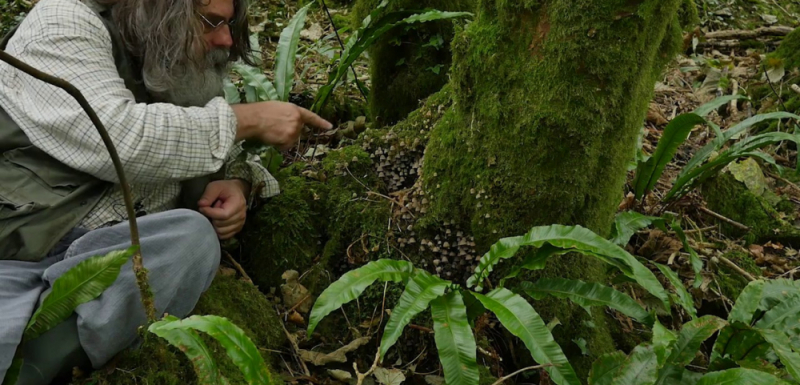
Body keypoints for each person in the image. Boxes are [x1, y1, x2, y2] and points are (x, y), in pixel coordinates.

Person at [0, 0, 332, 382]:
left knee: (191, 239)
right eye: (211, 22)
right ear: (162, 10)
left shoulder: (169, 60)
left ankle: (44, 362)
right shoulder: (64, 20)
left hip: (116, 256)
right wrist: (248, 119)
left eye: (230, 24)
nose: (224, 38)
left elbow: (207, 137)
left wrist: (238, 182)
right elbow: (117, 138)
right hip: (22, 248)